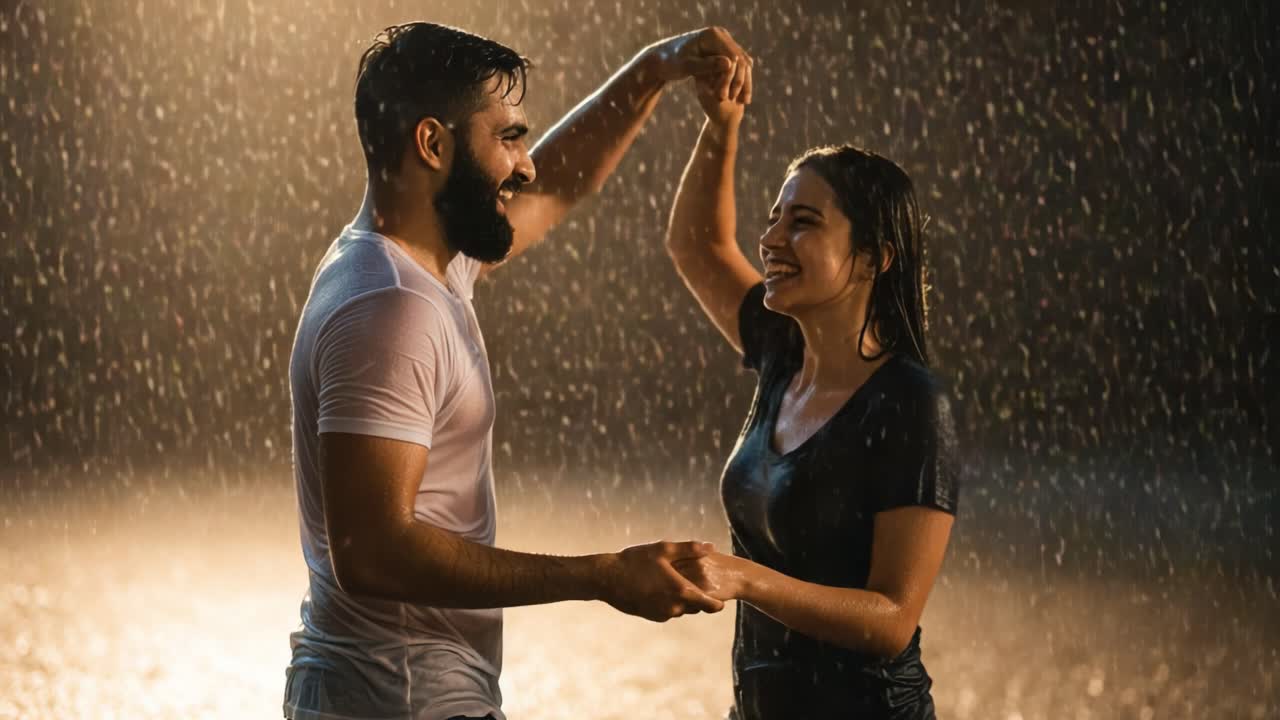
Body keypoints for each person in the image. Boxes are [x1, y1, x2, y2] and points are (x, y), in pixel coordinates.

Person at [285, 22, 753, 720]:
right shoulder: (391, 307)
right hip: (400, 698)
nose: (526, 162)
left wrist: (657, 69)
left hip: (398, 692)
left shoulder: (419, 261)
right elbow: (372, 552)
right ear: (433, 144)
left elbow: (558, 182)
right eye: (507, 137)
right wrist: (602, 576)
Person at [663, 59, 961, 718]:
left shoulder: (911, 402)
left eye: (802, 222)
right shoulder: (781, 352)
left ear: (875, 256)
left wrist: (743, 578)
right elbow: (696, 244)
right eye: (773, 219)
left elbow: (890, 619)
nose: (769, 240)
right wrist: (722, 126)